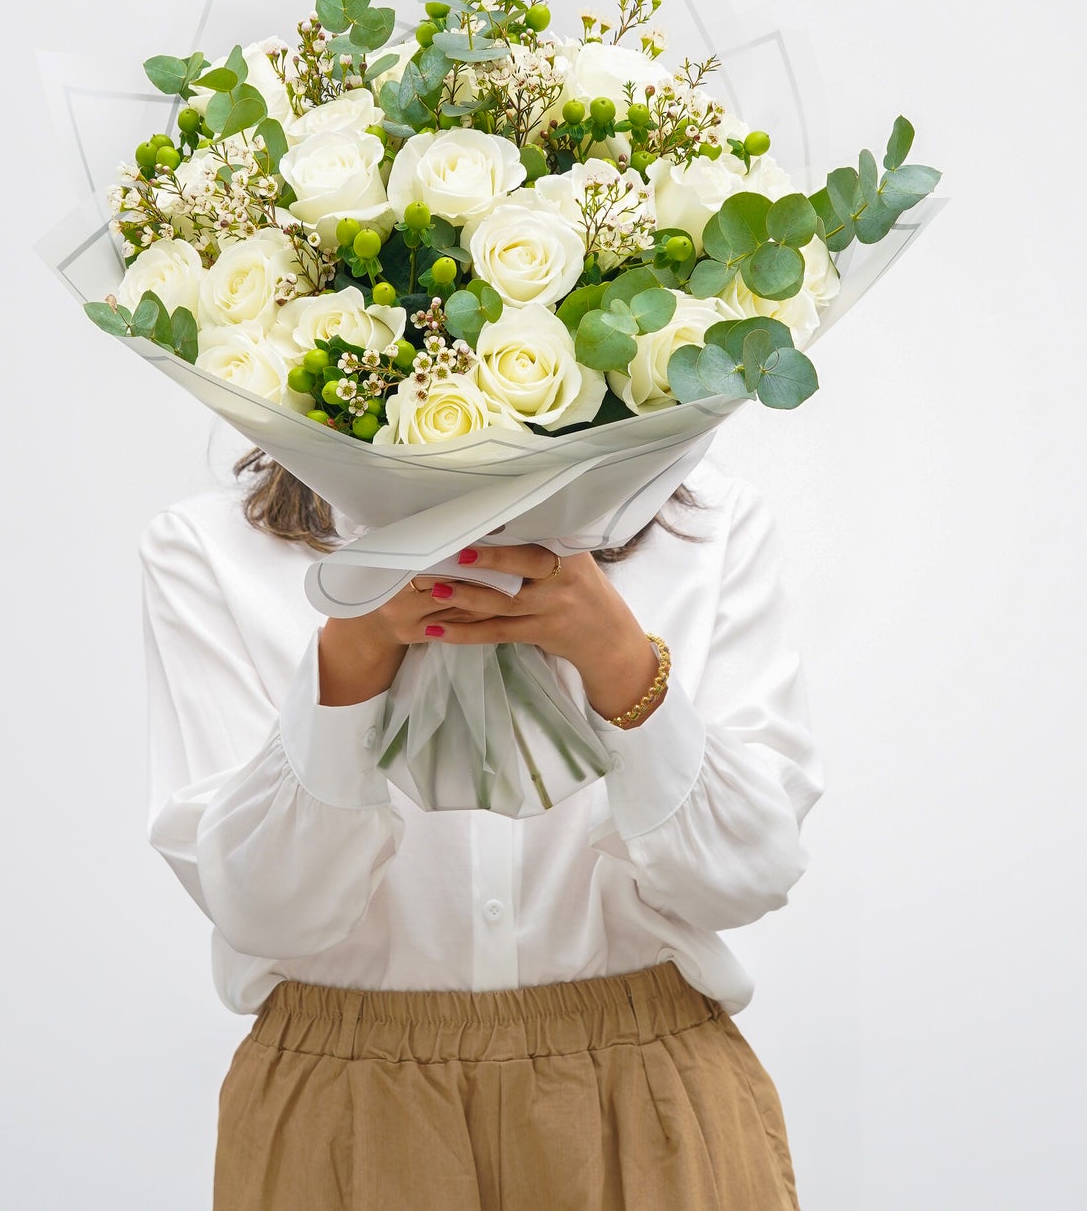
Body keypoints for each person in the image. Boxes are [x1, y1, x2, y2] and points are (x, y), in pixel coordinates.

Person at [141, 447, 825, 1210]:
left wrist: (619, 659)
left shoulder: (707, 530)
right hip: (347, 1117)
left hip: (647, 1104)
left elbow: (746, 876)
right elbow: (269, 909)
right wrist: (352, 655)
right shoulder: (208, 550)